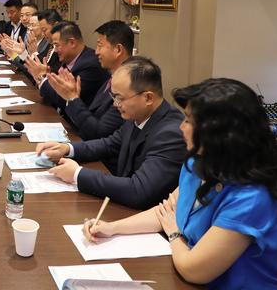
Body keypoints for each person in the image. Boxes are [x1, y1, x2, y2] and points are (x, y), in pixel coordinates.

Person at [83, 78, 277, 289]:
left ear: (219, 132)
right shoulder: (197, 164)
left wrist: (174, 233)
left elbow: (194, 270)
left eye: (188, 120)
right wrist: (112, 228)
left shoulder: (251, 198)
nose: (181, 127)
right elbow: (165, 212)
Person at [37, 56, 186, 210]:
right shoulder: (138, 113)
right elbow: (110, 144)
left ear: (148, 98)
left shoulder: (172, 134)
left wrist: (77, 174)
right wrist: (67, 148)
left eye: (119, 98)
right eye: (113, 97)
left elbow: (139, 190)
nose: (115, 104)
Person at [48, 20, 133, 141]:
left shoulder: (129, 86)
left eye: (100, 45)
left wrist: (72, 98)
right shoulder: (112, 77)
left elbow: (99, 133)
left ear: (118, 50)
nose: (96, 52)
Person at [37, 21, 109, 109]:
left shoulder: (90, 65)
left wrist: (41, 78)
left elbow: (63, 100)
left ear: (72, 43)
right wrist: (46, 75)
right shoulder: (67, 59)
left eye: (57, 45)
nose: (55, 50)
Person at [23, 9, 62, 79]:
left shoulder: (60, 47)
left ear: (56, 26)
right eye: (29, 25)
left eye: (44, 30)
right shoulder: (51, 45)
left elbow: (55, 72)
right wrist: (17, 54)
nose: (30, 28)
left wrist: (33, 53)